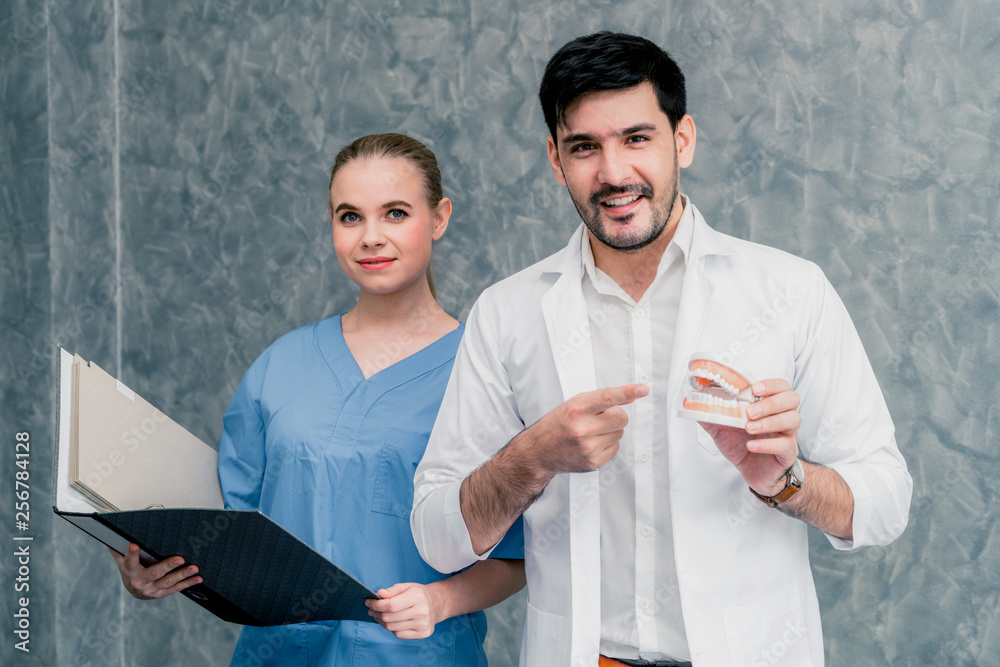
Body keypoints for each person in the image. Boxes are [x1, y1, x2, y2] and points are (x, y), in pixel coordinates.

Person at [410, 32, 912, 666]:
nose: (614, 173)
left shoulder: (790, 290)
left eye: (637, 138)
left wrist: (784, 481)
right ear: (555, 159)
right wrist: (529, 458)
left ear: (683, 140)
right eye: (585, 147)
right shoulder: (506, 313)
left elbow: (885, 501)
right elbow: (437, 534)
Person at [111, 132, 525, 665]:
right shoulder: (280, 366)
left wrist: (441, 600)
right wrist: (156, 567)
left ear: (440, 218)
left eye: (395, 213)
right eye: (350, 216)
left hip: (416, 656)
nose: (371, 237)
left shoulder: (482, 372)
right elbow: (225, 528)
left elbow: (517, 554)